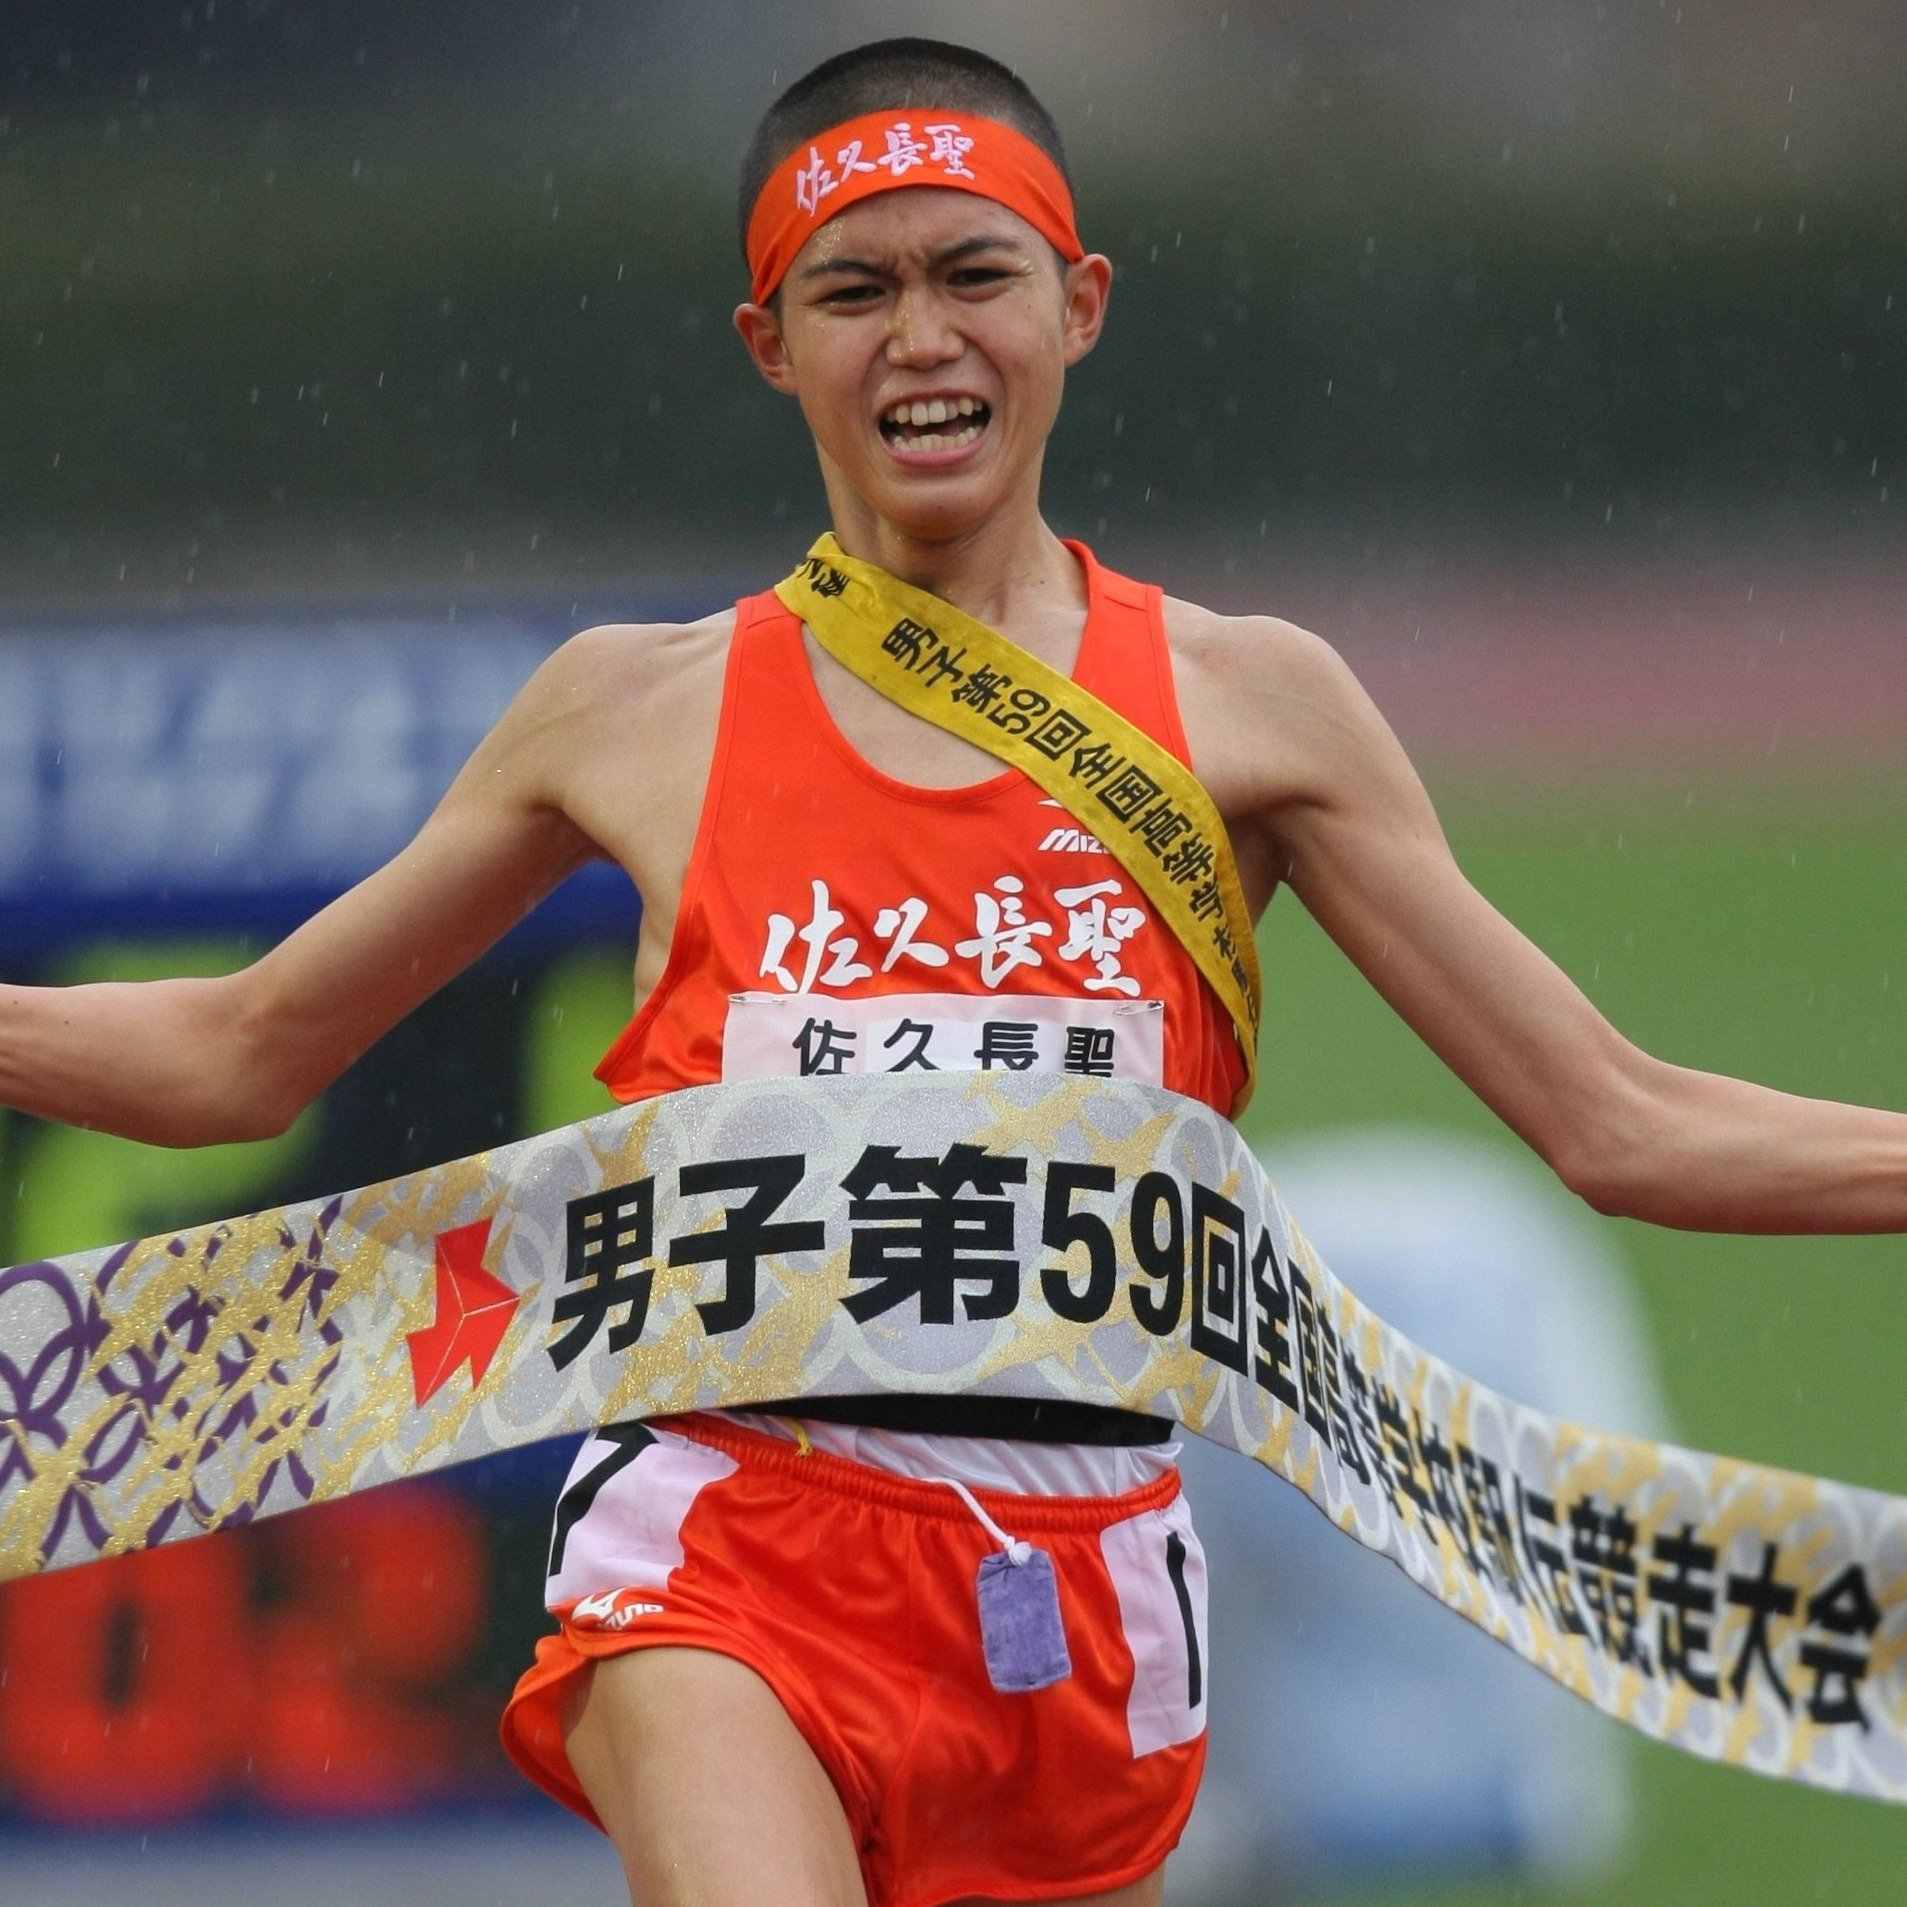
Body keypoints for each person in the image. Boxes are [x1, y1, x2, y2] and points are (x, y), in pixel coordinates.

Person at [1, 31, 1902, 1907]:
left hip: (1080, 1595)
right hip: (728, 1544)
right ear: (771, 342)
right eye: (855, 289)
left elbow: (1624, 1123)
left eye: (972, 272)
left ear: (1076, 306)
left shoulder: (1256, 711)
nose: (920, 335)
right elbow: (238, 1056)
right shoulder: (631, 714)